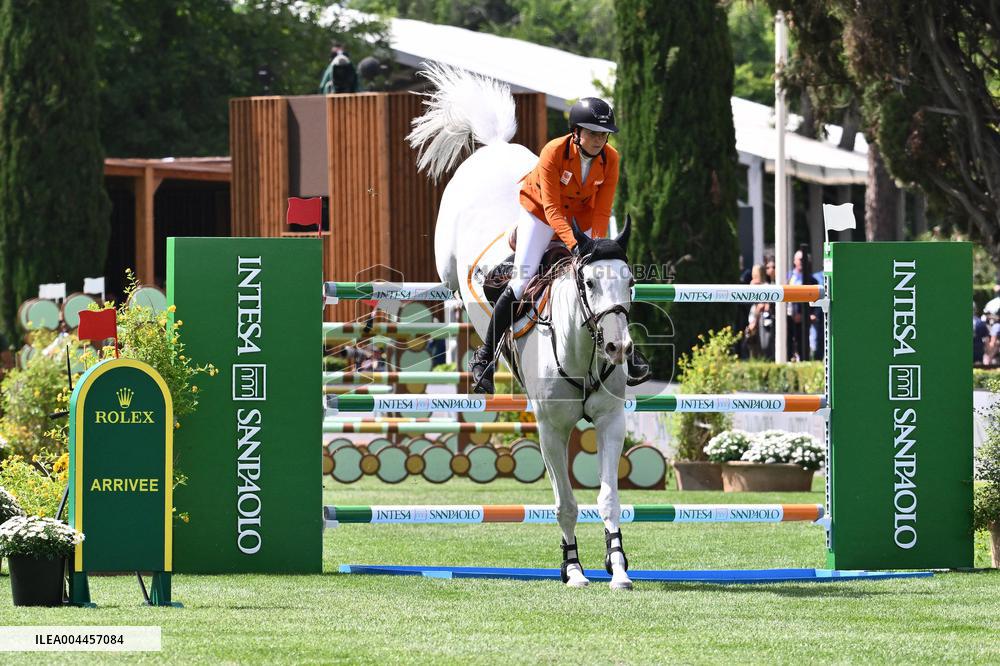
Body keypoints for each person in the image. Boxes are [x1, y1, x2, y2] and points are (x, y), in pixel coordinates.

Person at [470, 97, 649, 393]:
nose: (598, 140)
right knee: (520, 281)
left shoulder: (611, 159)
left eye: (603, 134)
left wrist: (596, 251)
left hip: (582, 216)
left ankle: (628, 354)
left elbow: (602, 210)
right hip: (540, 211)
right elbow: (552, 209)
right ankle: (485, 357)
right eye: (591, 133)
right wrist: (576, 245)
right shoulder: (553, 151)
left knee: (608, 278)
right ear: (576, 132)